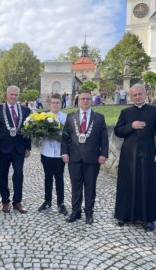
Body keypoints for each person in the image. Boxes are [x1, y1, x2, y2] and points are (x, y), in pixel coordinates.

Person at [114, 83, 156, 232]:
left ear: (145, 94)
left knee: (147, 184)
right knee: (126, 183)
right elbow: (118, 131)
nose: (137, 97)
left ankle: (148, 218)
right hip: (128, 155)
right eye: (134, 95)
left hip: (148, 154)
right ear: (131, 96)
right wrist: (132, 125)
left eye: (139, 94)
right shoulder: (125, 112)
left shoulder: (155, 111)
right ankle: (124, 215)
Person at [61, 90, 109, 225]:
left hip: (93, 159)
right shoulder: (70, 117)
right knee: (76, 186)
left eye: (88, 99)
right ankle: (75, 212)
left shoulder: (99, 118)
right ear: (78, 101)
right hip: (74, 158)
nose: (85, 101)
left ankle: (89, 213)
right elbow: (65, 137)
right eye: (83, 99)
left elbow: (104, 139)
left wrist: (104, 154)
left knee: (90, 187)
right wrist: (64, 152)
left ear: (91, 100)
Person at [0, 85, 31, 214]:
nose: (13, 97)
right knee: (3, 175)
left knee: (18, 174)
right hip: (3, 149)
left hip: (19, 149)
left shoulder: (25, 110)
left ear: (18, 96)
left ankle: (17, 202)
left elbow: (28, 130)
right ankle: (5, 201)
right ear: (7, 95)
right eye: (11, 94)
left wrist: (28, 147)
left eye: (16, 95)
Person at [37, 94, 68, 215]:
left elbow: (67, 136)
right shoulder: (43, 117)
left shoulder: (66, 118)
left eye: (57, 103)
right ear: (50, 104)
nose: (55, 105)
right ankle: (47, 201)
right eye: (53, 102)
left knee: (59, 178)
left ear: (61, 104)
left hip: (59, 154)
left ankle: (61, 203)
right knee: (48, 178)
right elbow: (38, 134)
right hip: (46, 152)